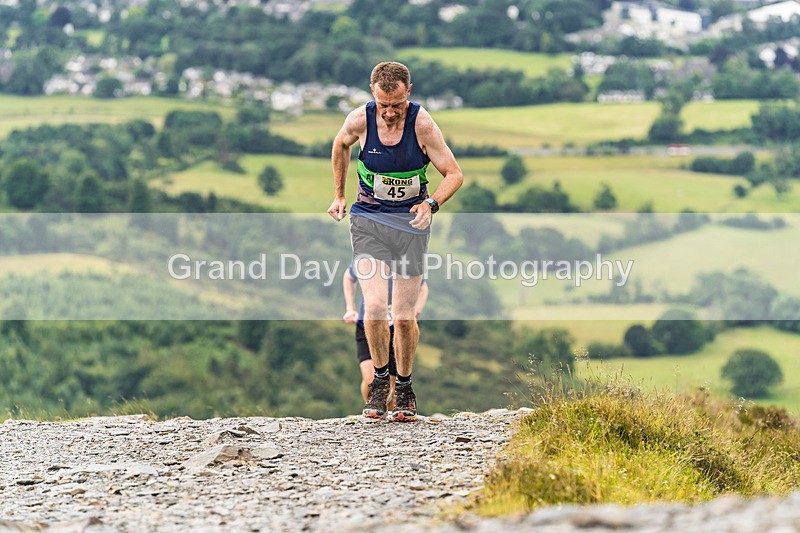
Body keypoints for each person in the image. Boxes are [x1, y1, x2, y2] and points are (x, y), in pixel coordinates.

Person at [327, 61, 463, 421]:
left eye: (397, 106)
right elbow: (340, 144)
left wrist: (432, 204)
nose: (389, 114)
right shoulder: (360, 119)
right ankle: (379, 384)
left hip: (410, 227)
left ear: (409, 93)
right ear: (374, 95)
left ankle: (404, 388)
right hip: (368, 221)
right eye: (383, 105)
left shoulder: (422, 124)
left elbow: (454, 173)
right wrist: (339, 194)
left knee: (403, 317)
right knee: (373, 307)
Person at [342, 263, 429, 410]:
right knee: (370, 378)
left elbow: (423, 288)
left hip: (396, 330)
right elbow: (348, 277)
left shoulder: (403, 260)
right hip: (367, 326)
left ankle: (389, 416)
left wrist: (415, 313)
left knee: (393, 386)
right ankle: (373, 405)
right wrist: (350, 308)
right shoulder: (370, 257)